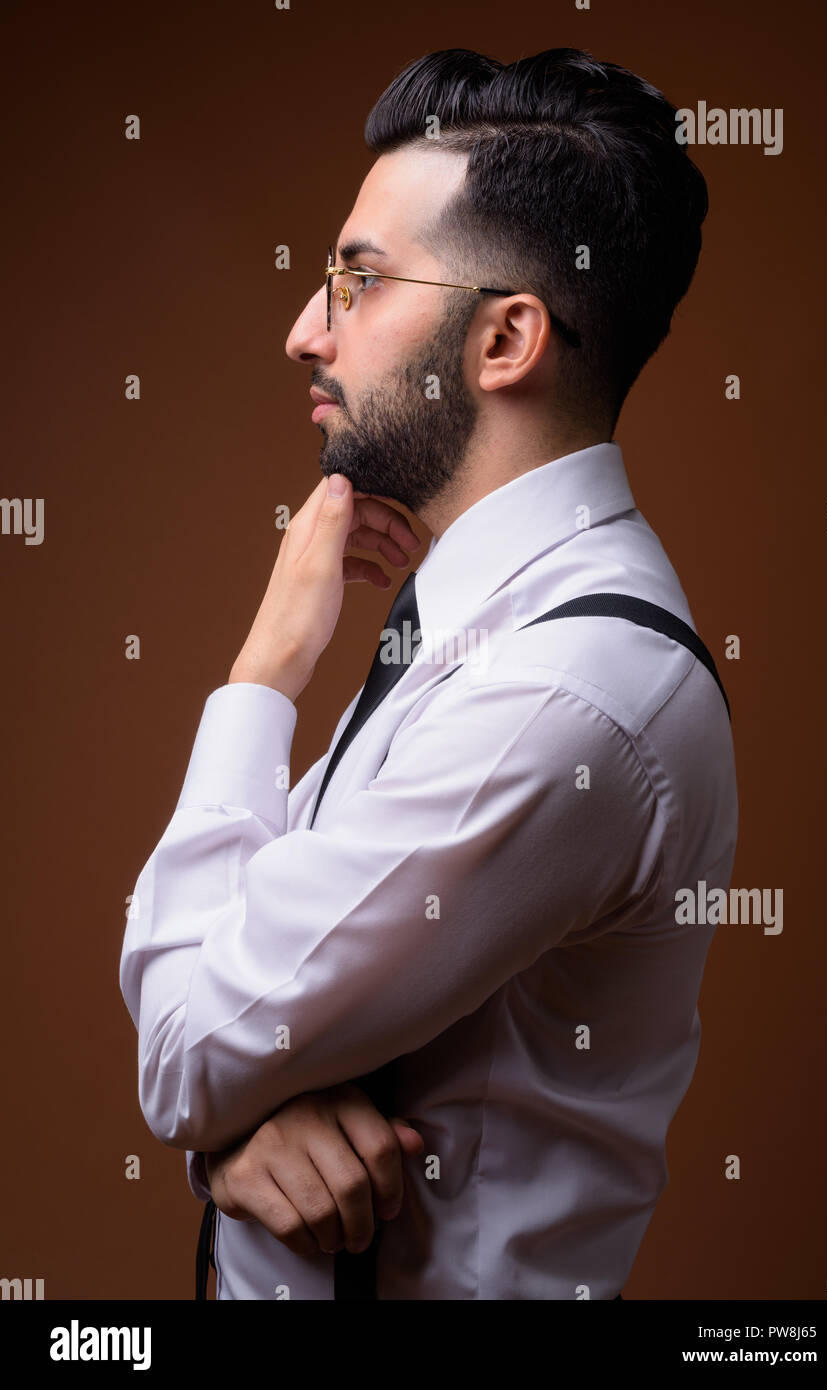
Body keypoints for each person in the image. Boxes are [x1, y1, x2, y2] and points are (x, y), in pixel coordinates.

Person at [119, 46, 737, 1300]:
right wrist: (235, 1130)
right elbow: (250, 969)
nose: (304, 331)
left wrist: (260, 677)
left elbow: (188, 1044)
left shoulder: (562, 695)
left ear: (507, 336)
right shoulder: (481, 611)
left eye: (356, 280)